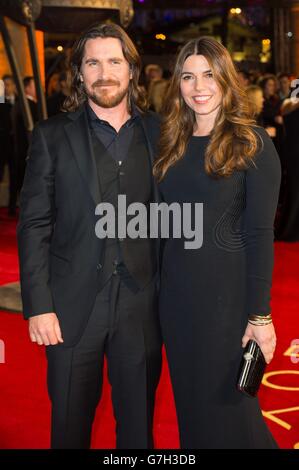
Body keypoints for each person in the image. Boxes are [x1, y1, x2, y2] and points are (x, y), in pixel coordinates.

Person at [17, 23, 162, 449]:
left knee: (138, 432)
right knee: (68, 428)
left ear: (132, 69)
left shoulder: (162, 133)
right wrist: (39, 306)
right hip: (70, 308)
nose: (105, 72)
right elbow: (34, 224)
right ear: (79, 73)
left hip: (141, 306)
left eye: (115, 61)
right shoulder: (51, 135)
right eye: (92, 62)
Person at [153, 36, 281, 449]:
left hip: (226, 307)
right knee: (192, 412)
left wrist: (259, 317)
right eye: (188, 76)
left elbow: (260, 234)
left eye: (209, 74)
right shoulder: (171, 142)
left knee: (230, 414)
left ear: (226, 79)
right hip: (175, 302)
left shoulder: (252, 143)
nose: (198, 86)